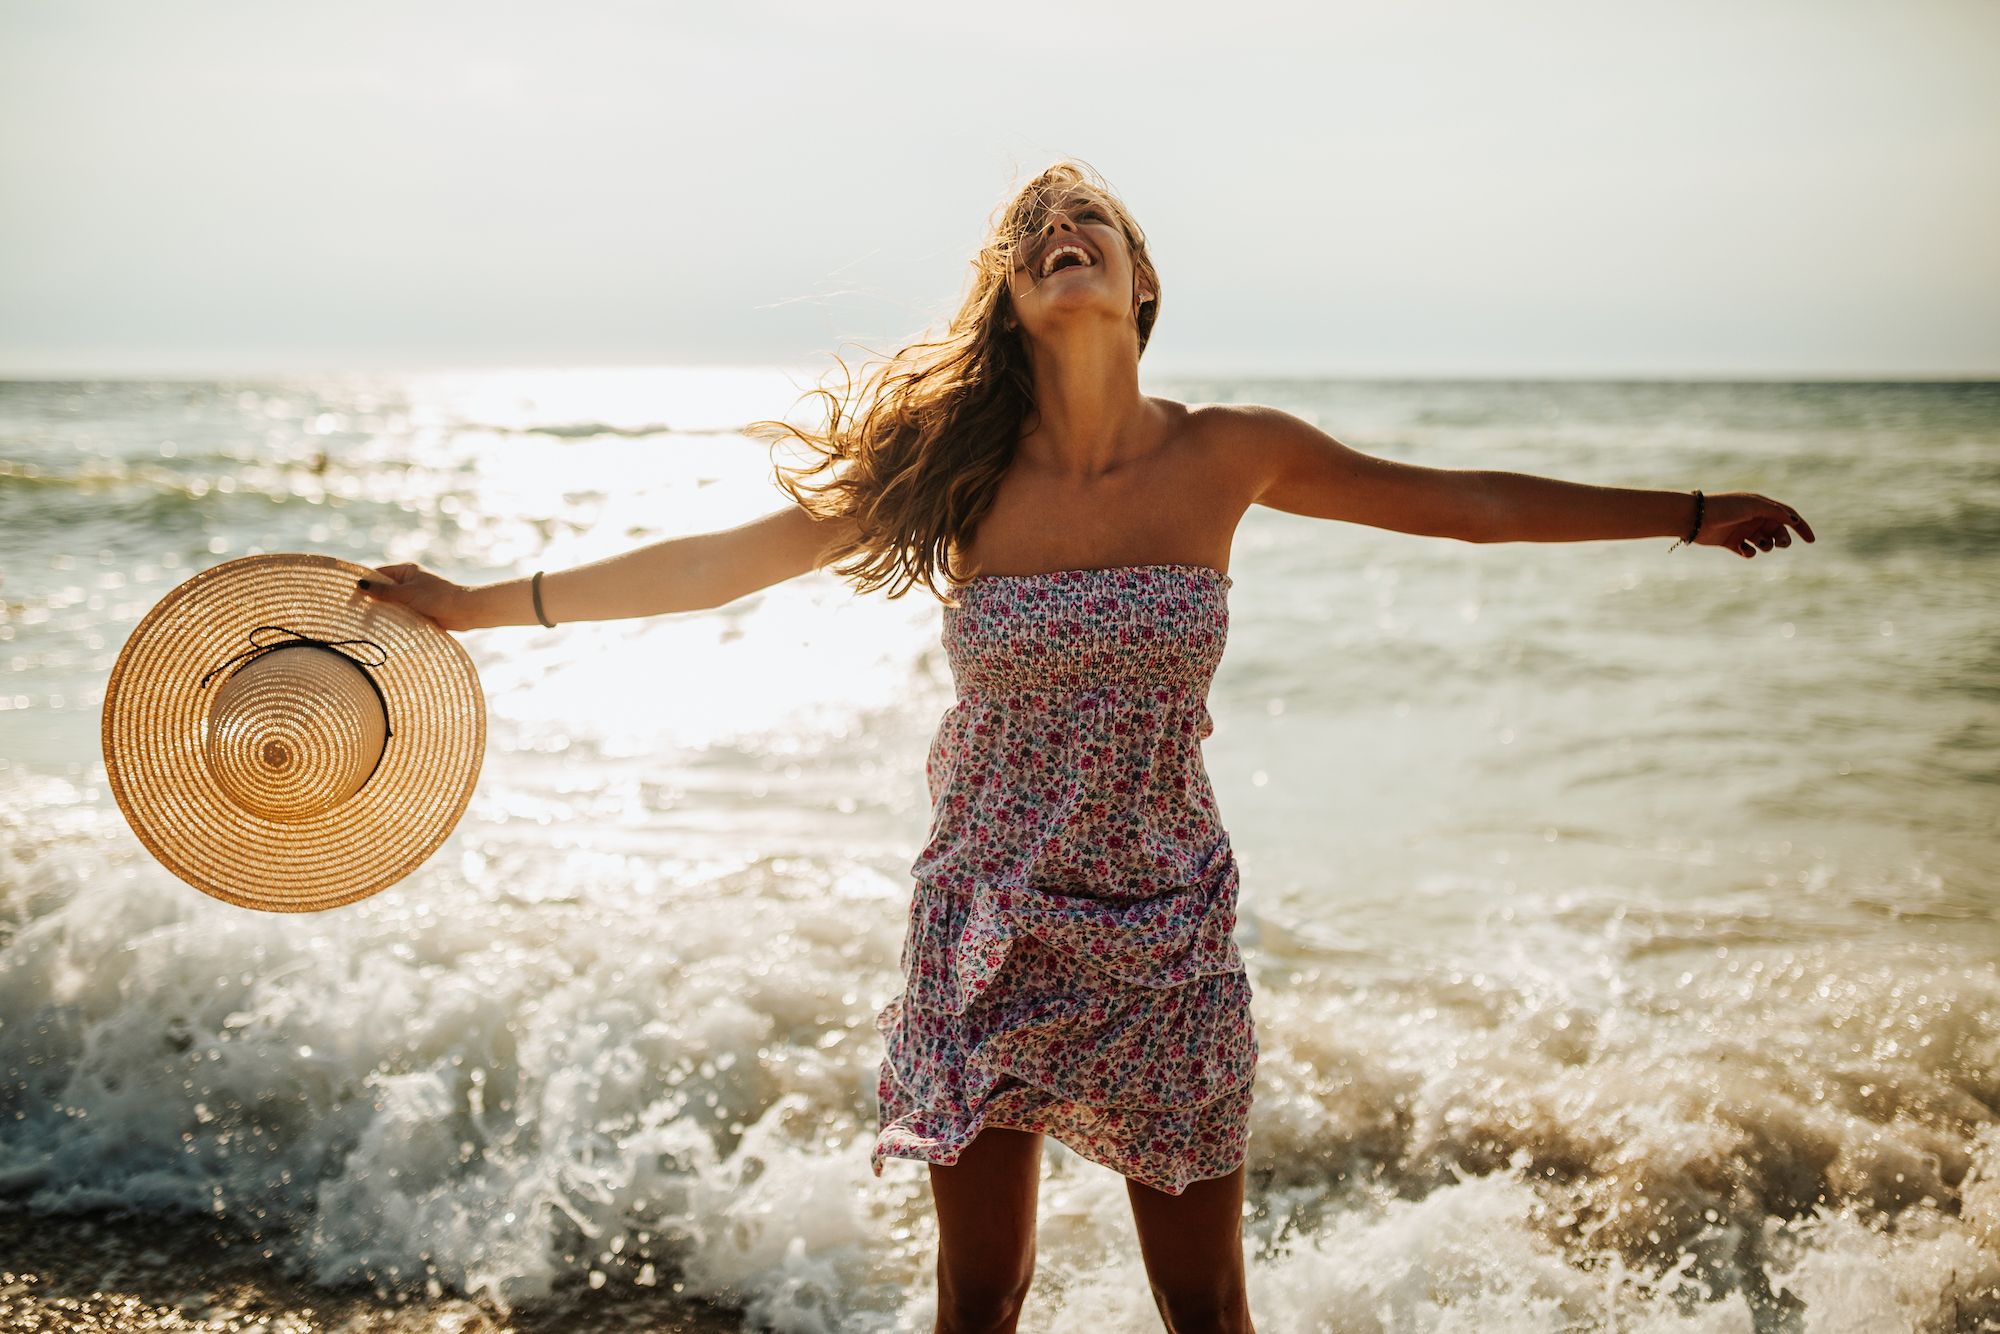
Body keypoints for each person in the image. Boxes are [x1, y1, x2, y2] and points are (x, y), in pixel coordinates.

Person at [359, 159, 1814, 1334]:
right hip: (987, 916)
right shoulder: (953, 469)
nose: (1067, 232)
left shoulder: (1227, 453)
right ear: (1011, 287)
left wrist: (1683, 508)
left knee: (1204, 1303)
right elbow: (723, 564)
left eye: (1094, 221)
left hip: (1166, 925)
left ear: (1139, 281)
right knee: (981, 1298)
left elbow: (1469, 505)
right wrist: (482, 607)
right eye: (1040, 228)